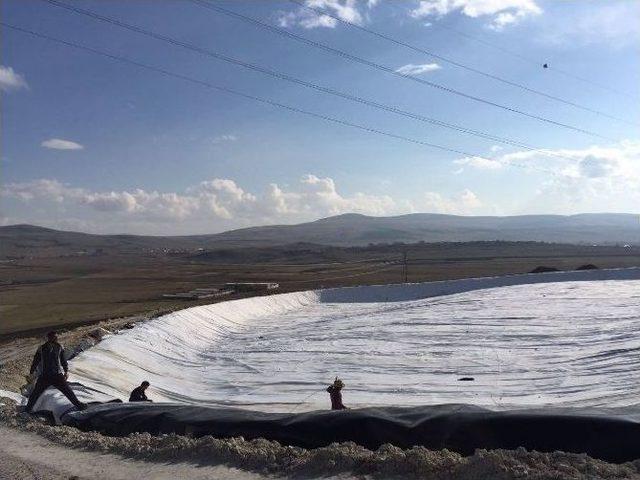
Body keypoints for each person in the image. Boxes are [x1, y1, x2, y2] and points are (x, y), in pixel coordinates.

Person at [25, 331, 87, 412]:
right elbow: (35, 361)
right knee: (35, 393)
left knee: (68, 391)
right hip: (45, 376)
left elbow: (63, 360)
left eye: (56, 337)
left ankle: (79, 405)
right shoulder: (41, 348)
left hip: (57, 375)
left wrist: (66, 371)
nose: (56, 338)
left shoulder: (59, 347)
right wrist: (31, 372)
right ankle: (28, 409)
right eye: (54, 337)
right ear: (49, 338)